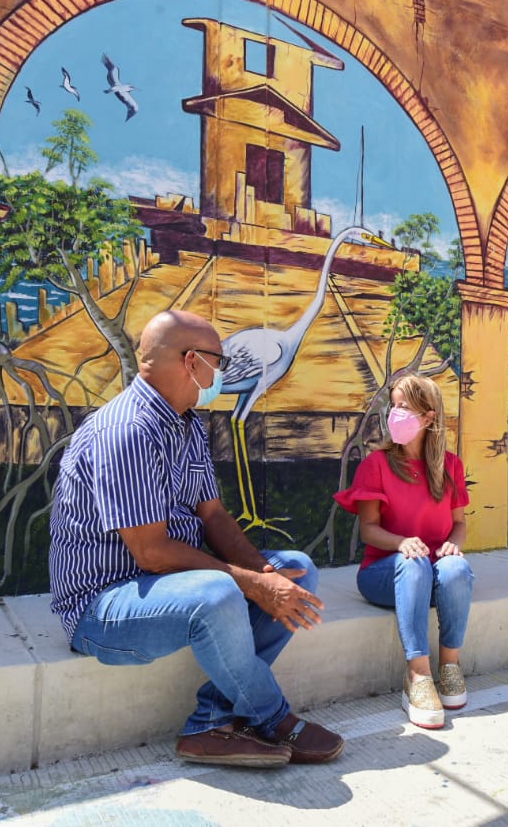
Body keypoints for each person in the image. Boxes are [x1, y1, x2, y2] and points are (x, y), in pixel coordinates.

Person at [49, 309, 344, 768]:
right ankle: (273, 717)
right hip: (103, 607)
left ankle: (210, 724)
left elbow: (213, 514)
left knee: (297, 570)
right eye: (219, 362)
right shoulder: (127, 431)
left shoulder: (185, 423)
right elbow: (151, 553)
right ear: (191, 362)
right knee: (220, 591)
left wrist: (267, 575)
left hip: (166, 587)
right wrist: (250, 584)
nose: (223, 374)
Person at [335, 373, 474, 728]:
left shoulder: (450, 466)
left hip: (433, 574)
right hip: (385, 572)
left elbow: (459, 524)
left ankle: (450, 665)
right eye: (392, 406)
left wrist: (453, 546)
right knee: (413, 564)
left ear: (428, 417)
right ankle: (418, 676)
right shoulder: (376, 465)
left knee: (457, 569)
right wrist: (400, 543)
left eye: (403, 407)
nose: (393, 414)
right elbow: (368, 531)